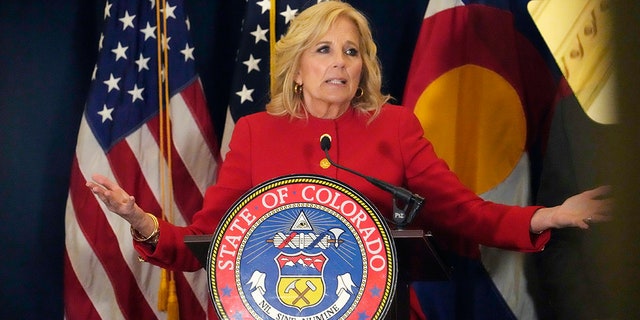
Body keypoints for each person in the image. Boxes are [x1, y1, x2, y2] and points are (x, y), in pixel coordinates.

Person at [87, 0, 612, 318]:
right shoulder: (255, 134)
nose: (339, 62)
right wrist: (144, 222)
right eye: (323, 50)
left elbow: (464, 212)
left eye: (351, 51)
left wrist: (546, 215)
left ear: (365, 66)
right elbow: (206, 240)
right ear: (295, 68)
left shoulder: (396, 127)